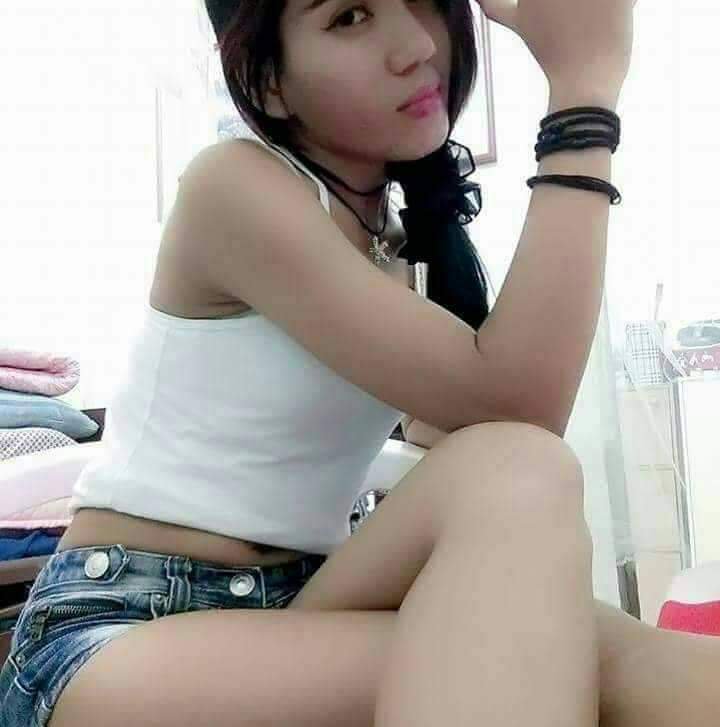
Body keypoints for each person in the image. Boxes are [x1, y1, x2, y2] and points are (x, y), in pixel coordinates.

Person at [8, 2, 713, 727]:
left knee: (526, 504)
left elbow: (496, 432)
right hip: (127, 620)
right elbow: (521, 402)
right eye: (349, 16)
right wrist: (583, 89)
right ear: (267, 80)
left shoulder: (391, 244)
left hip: (297, 603)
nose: (416, 45)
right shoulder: (233, 185)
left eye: (420, 1)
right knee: (562, 636)